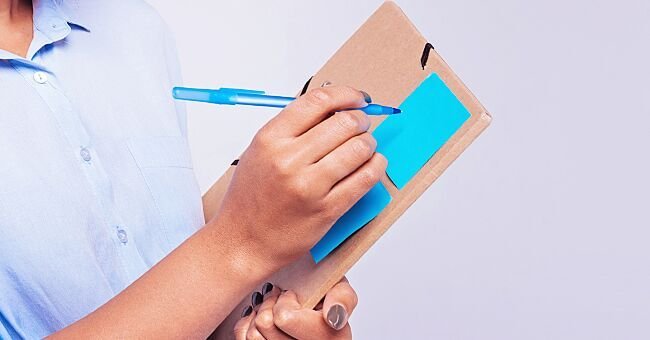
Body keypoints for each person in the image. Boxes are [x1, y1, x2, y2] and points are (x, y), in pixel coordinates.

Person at [0, 0, 387, 338]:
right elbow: (225, 250)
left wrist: (264, 314)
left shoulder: (133, 26)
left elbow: (187, 288)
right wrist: (243, 241)